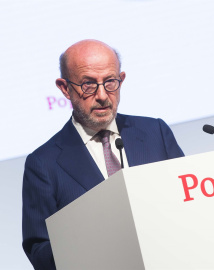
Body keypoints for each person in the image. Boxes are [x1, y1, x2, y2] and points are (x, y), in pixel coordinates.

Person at [22, 39, 184, 270]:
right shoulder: (43, 164)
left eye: (110, 82)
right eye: (88, 84)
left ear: (122, 80)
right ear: (65, 88)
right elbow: (39, 251)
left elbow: (187, 201)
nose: (102, 95)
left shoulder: (155, 133)